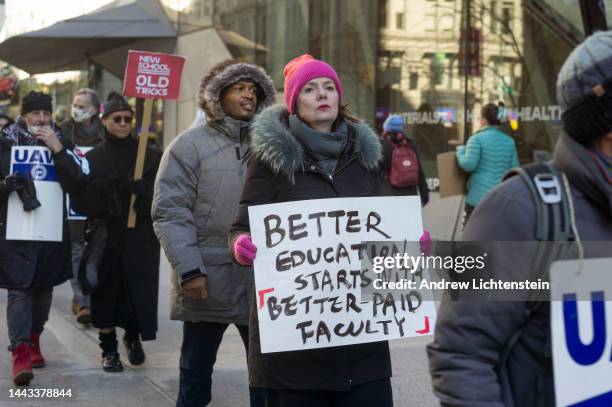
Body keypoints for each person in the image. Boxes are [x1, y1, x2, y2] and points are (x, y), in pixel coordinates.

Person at [427, 31, 612, 406]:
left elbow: (465, 165)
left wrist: (462, 156)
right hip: (495, 206)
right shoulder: (516, 207)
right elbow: (462, 353)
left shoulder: (478, 140)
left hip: (477, 199)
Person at [228, 54, 396, 407]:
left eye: (328, 87)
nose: (322, 95)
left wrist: (411, 245)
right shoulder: (270, 159)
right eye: (309, 89)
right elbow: (241, 227)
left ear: (339, 96)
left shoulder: (366, 158)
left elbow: (385, 226)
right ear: (294, 103)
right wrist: (241, 244)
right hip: (295, 350)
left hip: (362, 346)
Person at [152, 60, 276, 407]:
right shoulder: (187, 146)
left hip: (261, 281)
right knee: (195, 370)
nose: (248, 95)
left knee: (267, 377)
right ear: (217, 96)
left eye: (254, 90)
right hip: (207, 280)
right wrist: (190, 269)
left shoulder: (274, 146)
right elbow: (170, 212)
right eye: (240, 88)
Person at [0, 91, 89, 386]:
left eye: (45, 114)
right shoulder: (4, 142)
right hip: (15, 232)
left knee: (43, 290)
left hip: (51, 231)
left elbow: (77, 182)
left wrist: (58, 151)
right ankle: (20, 353)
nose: (41, 120)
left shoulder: (61, 141)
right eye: (35, 114)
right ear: (23, 115)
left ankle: (35, 338)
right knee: (19, 289)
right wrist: (4, 187)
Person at [71, 92, 161, 372]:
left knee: (137, 290)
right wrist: (111, 189)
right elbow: (82, 200)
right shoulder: (94, 158)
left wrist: (144, 193)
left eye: (127, 119)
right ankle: (108, 349)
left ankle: (133, 338)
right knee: (105, 291)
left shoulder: (150, 154)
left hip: (140, 235)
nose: (123, 123)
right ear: (105, 121)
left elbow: (163, 196)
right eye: (117, 119)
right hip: (106, 236)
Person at [60, 87, 105, 326]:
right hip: (72, 202)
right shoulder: (64, 130)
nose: (76, 109)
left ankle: (91, 296)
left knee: (96, 253)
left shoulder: (105, 132)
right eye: (75, 104)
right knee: (76, 250)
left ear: (95, 110)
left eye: (82, 106)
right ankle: (83, 300)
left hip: (98, 202)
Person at [456, 103, 519, 223]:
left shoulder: (476, 139)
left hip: (477, 199)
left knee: (472, 237)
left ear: (484, 120)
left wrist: (460, 151)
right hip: (501, 199)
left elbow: (468, 164)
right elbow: (515, 170)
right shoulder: (509, 141)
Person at [380, 114, 429, 206]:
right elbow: (419, 171)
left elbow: (375, 173)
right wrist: (424, 194)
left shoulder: (382, 146)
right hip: (410, 195)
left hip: (388, 195)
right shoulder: (410, 145)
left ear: (386, 128)